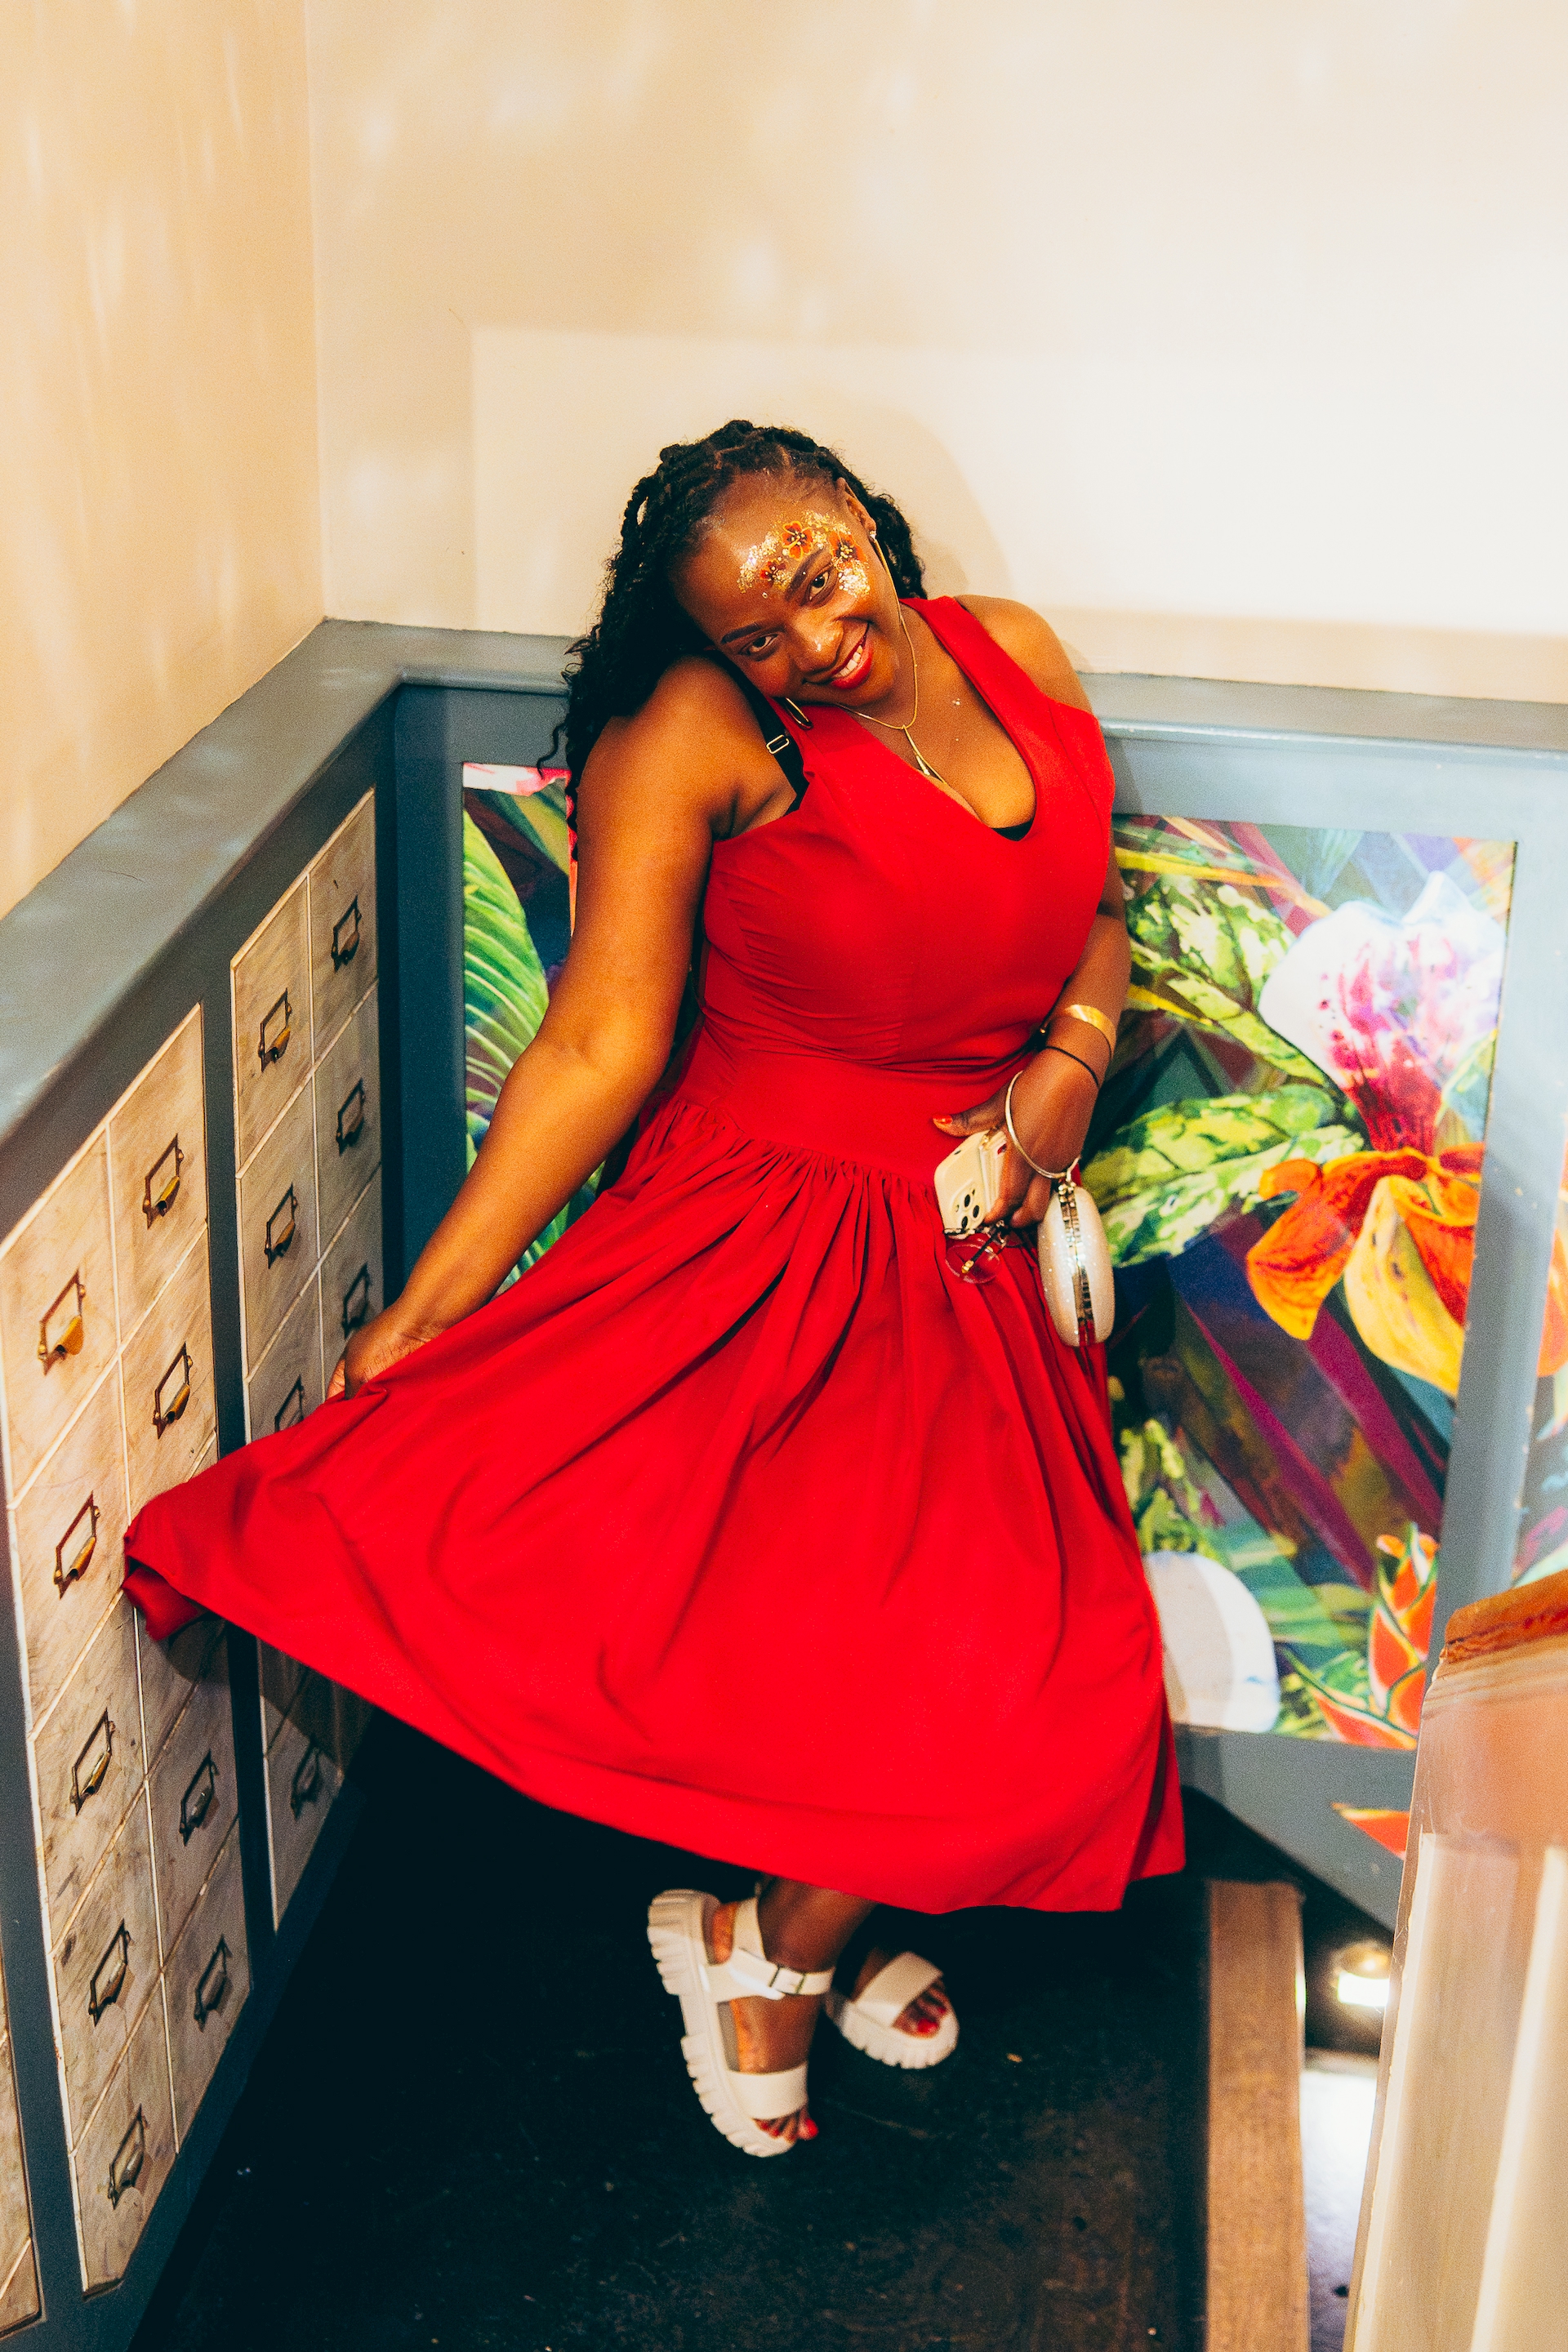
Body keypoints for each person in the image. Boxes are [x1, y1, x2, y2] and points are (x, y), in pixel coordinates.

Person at [126, 420, 1181, 2158]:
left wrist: (1064, 1063)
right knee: (901, 1654)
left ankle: (784, 1920)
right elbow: (599, 1043)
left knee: (979, 1658)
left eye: (818, 576)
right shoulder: (699, 733)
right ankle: (768, 1953)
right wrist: (433, 1307)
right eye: (757, 630)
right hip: (775, 1245)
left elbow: (1091, 904)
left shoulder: (1012, 650)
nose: (812, 639)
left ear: (860, 514)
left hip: (978, 1234)